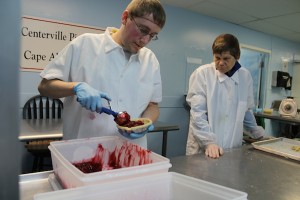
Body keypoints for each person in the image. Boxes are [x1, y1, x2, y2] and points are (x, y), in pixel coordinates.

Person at [38, 0, 166, 148]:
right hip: (82, 151)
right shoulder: (85, 44)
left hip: (130, 151)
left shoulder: (150, 60)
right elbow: (44, 86)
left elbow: (153, 105)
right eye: (143, 30)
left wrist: (145, 123)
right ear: (125, 18)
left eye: (152, 35)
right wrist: (75, 87)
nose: (145, 40)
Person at [186, 33, 264, 158]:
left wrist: (258, 134)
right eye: (217, 58)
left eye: (226, 58)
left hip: (232, 148)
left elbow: (246, 111)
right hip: (204, 148)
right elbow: (197, 114)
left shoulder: (245, 76)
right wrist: (209, 142)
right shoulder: (202, 74)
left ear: (237, 56)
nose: (220, 63)